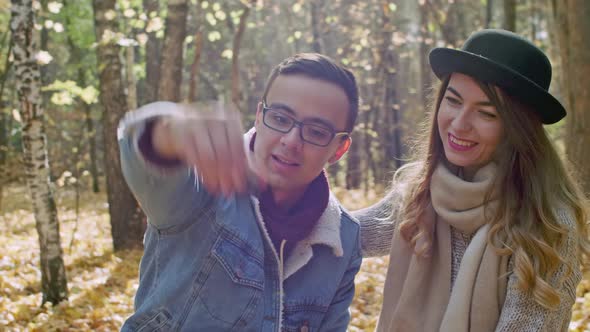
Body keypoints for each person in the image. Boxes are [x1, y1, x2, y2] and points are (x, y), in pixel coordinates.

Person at [355, 29, 590, 331]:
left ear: (517, 129)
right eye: (453, 101)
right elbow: (348, 235)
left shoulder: (548, 224)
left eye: (487, 114)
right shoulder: (421, 190)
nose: (460, 123)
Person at [117, 53, 363, 331]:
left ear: (340, 149)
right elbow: (139, 152)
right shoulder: (203, 183)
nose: (291, 141)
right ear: (259, 116)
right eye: (281, 118)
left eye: (317, 132)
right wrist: (169, 133)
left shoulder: (344, 239)